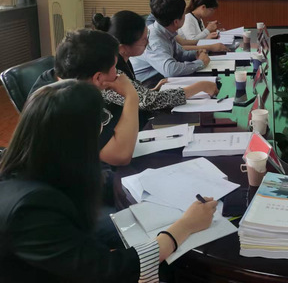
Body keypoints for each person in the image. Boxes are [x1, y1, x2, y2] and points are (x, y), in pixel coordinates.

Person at [0, 80, 217, 282]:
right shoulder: (30, 209)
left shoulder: (35, 162)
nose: (102, 129)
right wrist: (185, 226)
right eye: (101, 122)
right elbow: (109, 271)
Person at [29, 29, 139, 167]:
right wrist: (131, 96)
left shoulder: (56, 77)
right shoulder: (68, 103)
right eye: (114, 67)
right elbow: (121, 156)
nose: (117, 73)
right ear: (98, 77)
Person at [93, 11, 219, 110]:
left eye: (147, 36)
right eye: (143, 40)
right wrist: (198, 87)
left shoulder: (121, 59)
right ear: (122, 48)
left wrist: (153, 90)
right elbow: (147, 101)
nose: (148, 42)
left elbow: (136, 95)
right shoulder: (109, 71)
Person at [131, 0, 212, 83]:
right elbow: (170, 70)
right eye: (184, 14)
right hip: (147, 84)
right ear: (176, 22)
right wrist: (200, 63)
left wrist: (195, 53)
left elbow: (178, 54)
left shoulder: (165, 30)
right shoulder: (155, 40)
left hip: (160, 77)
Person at [147, 0, 226, 52]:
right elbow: (184, 46)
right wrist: (208, 43)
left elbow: (181, 47)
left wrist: (207, 42)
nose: (184, 15)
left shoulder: (167, 29)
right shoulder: (154, 32)